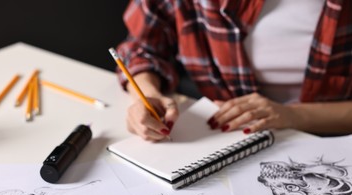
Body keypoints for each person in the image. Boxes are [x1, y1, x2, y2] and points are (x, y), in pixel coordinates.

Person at [114, 0, 352, 142]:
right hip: (224, 140)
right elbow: (142, 47)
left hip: (329, 136)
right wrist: (145, 95)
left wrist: (292, 116)